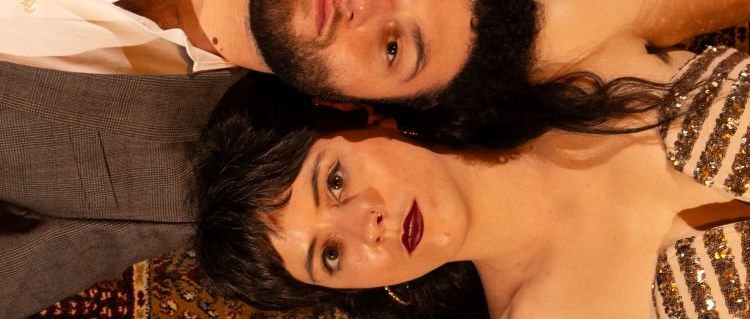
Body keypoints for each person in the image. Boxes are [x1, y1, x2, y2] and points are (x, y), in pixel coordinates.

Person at [195, 45, 750, 318]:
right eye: (332, 255)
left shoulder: (562, 46)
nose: (368, 225)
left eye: (335, 182)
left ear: (363, 116)